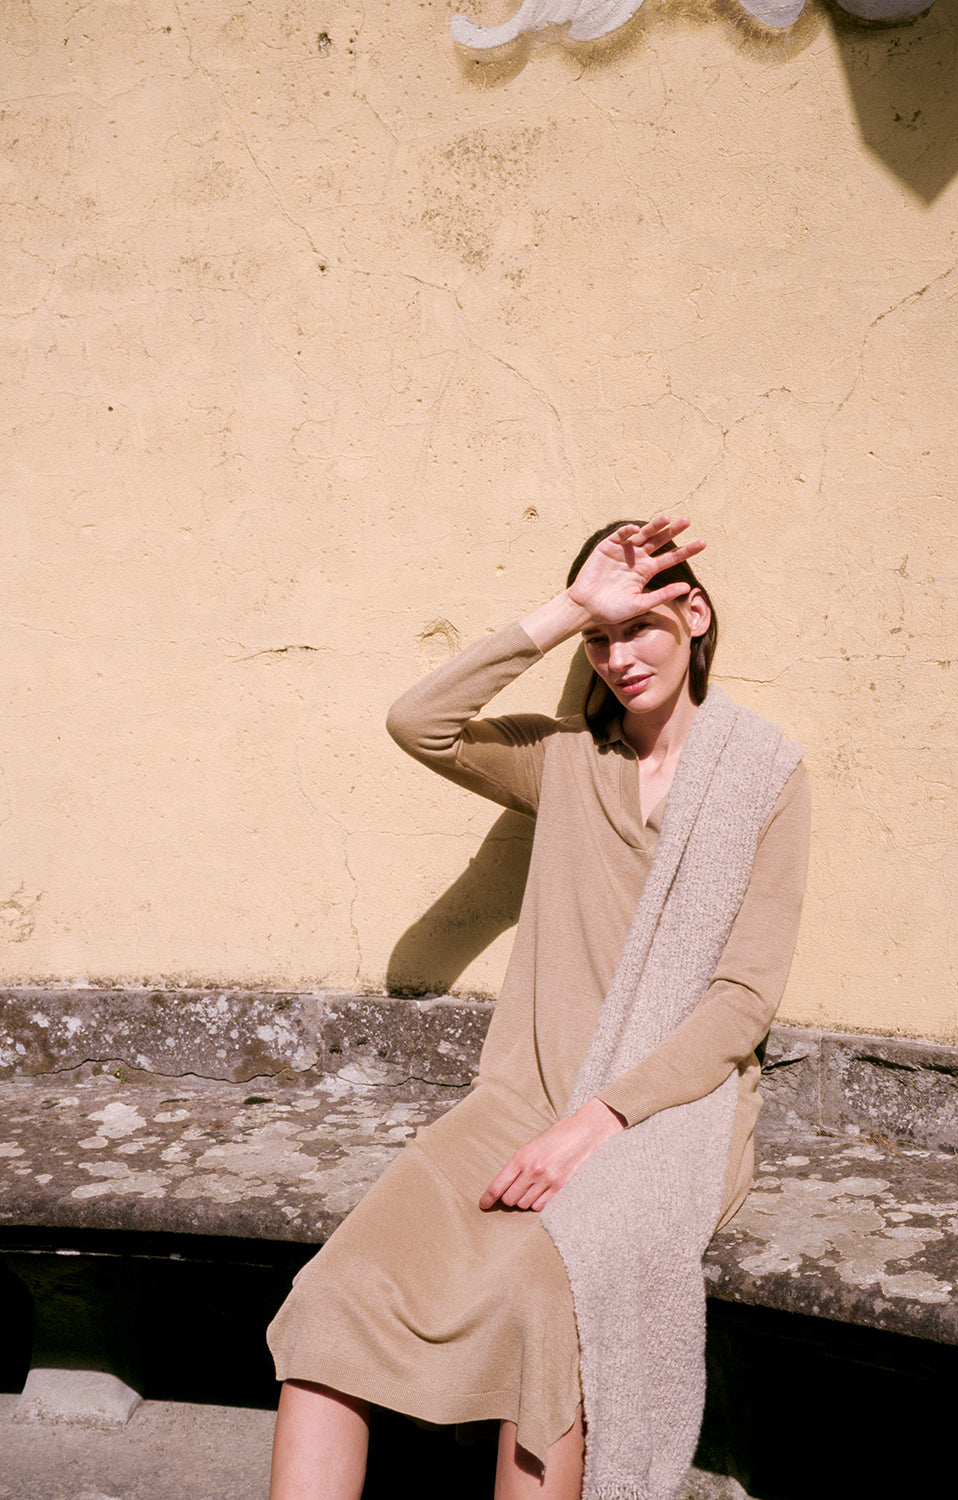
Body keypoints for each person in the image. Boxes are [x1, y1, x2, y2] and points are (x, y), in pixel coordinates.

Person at [266, 515, 810, 1500]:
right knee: (330, 1299)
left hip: (666, 1120)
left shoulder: (766, 775)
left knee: (543, 1311)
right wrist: (566, 610)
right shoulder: (561, 761)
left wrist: (597, 1123)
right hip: (519, 1100)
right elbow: (418, 722)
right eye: (601, 639)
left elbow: (741, 1003)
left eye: (639, 626)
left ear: (694, 612)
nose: (617, 657)